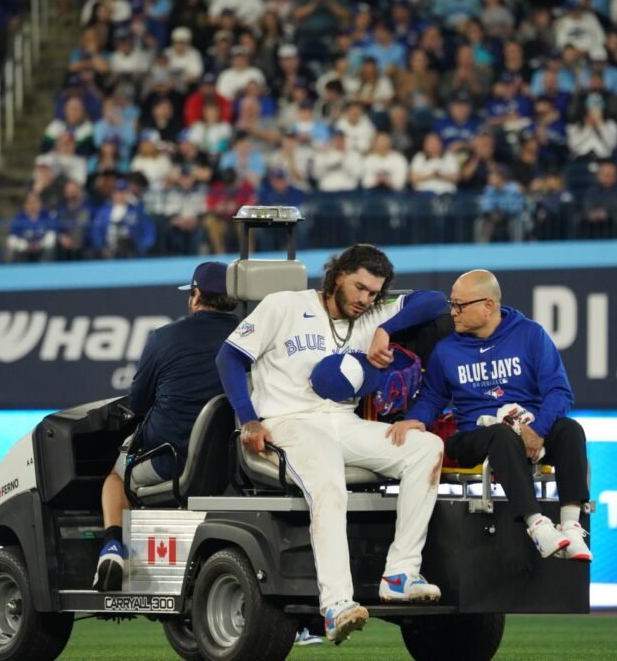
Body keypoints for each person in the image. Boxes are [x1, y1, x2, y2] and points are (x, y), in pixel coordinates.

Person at [215, 245, 448, 644]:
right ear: (338, 274)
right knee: (328, 482)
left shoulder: (372, 315)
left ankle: (400, 573)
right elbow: (229, 357)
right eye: (359, 287)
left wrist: (385, 328)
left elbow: (436, 301)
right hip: (288, 422)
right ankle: (337, 604)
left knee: (425, 448)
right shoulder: (284, 305)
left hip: (343, 421)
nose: (365, 299)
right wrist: (249, 418)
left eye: (374, 293)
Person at [395, 270, 592, 563]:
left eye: (460, 305)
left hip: (526, 430)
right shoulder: (446, 349)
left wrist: (537, 429)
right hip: (472, 436)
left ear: (488, 306)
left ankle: (572, 524)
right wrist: (417, 419)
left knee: (570, 430)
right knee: (500, 435)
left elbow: (560, 392)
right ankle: (536, 523)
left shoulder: (530, 334)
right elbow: (434, 397)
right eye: (452, 304)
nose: (453, 312)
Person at [94, 262, 240, 591]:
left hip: (169, 461)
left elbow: (138, 403)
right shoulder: (250, 334)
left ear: (196, 295)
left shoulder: (164, 338)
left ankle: (113, 547)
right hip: (234, 463)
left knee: (115, 477)